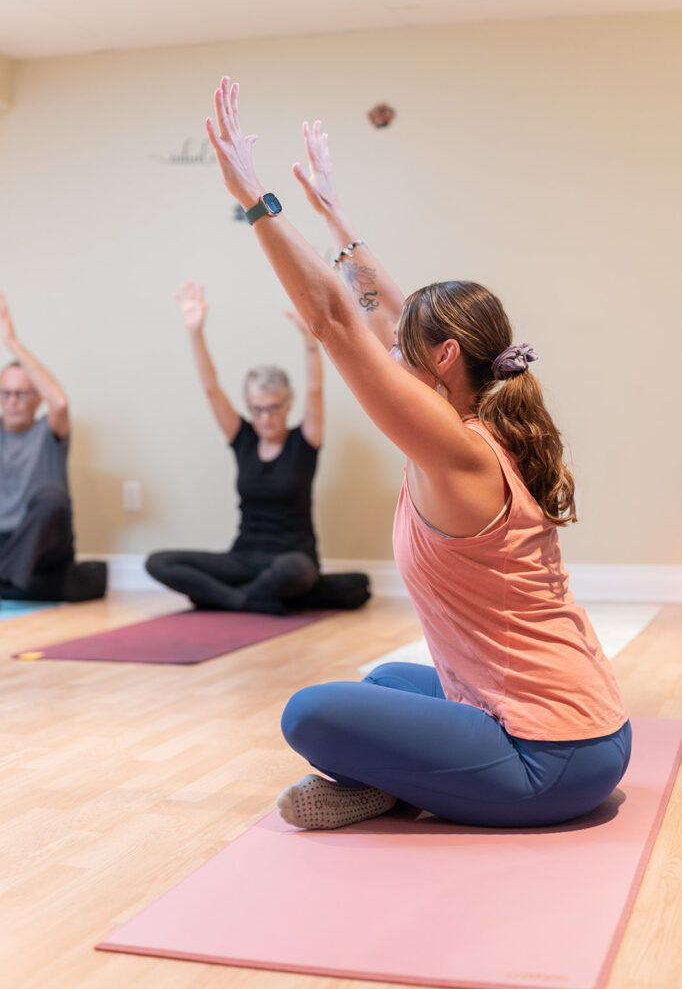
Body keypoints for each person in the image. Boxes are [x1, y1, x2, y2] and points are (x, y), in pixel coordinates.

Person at [205, 78, 630, 830]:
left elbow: (337, 318)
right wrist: (335, 216)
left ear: (441, 358)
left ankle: (408, 784)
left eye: (404, 347)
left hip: (551, 761)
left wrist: (256, 198)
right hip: (592, 730)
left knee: (311, 714)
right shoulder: (482, 418)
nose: (388, 344)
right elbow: (382, 310)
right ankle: (408, 781)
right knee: (387, 681)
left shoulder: (455, 450)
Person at [145, 281, 324, 614]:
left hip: (292, 559)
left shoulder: (305, 441)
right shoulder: (242, 437)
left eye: (272, 408)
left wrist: (310, 341)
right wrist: (195, 332)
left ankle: (221, 598)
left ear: (287, 406)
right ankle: (245, 600)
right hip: (243, 557)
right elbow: (211, 388)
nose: (265, 417)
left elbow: (315, 390)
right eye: (257, 409)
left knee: (295, 572)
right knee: (159, 562)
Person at [0, 292, 106, 602]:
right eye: (5, 394)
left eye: (21, 394)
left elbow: (60, 401)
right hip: (5, 542)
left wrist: (12, 342)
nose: (12, 402)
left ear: (37, 398)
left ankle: (8, 579)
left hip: (46, 545)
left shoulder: (49, 431)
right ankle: (13, 583)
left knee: (52, 499)